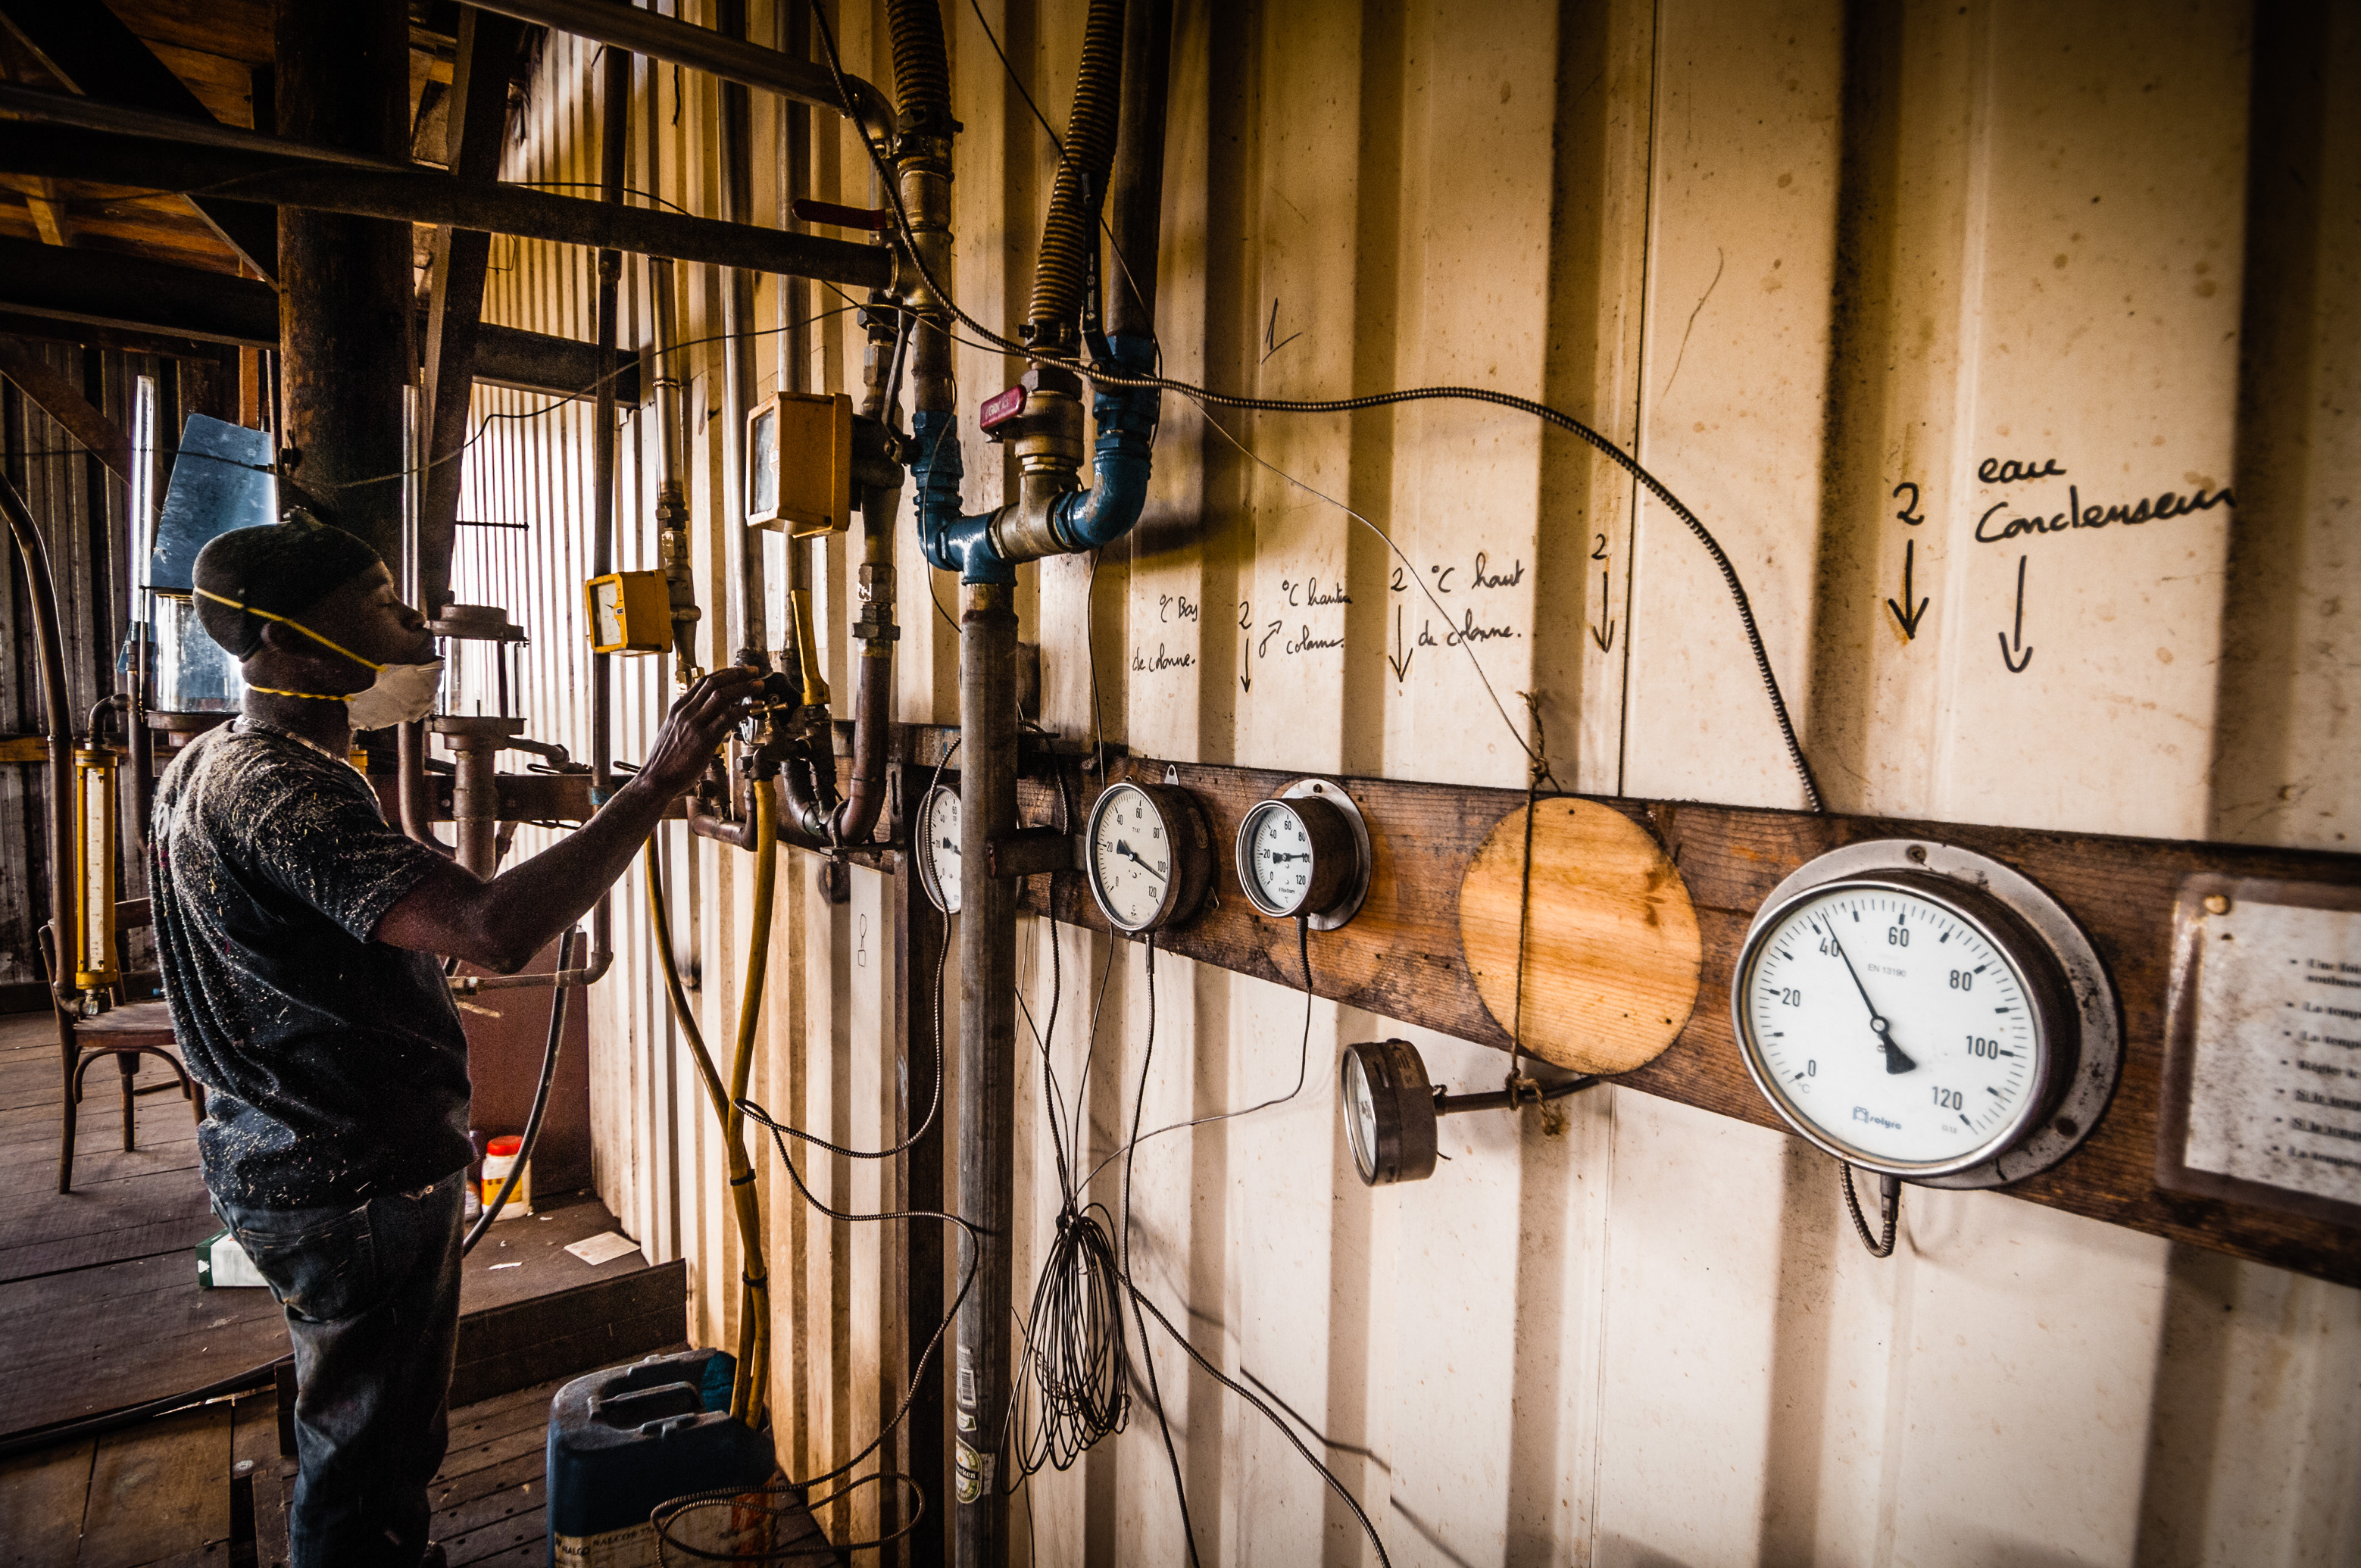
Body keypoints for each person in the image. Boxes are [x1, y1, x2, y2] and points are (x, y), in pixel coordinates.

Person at [149, 517, 757, 1568]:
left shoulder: (213, 762)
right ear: (294, 640)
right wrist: (654, 784)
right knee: (367, 1463)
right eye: (380, 603)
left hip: (278, 1158)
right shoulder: (283, 793)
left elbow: (363, 924)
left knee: (354, 1430)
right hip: (351, 1179)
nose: (408, 623)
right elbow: (490, 925)